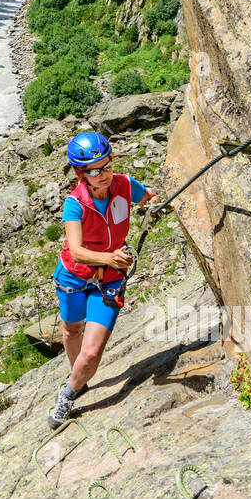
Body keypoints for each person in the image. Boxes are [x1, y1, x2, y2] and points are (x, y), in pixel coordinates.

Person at [48, 131, 158, 428]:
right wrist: (110, 257)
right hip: (74, 276)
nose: (103, 174)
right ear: (80, 173)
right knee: (71, 330)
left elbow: (148, 198)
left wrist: (152, 206)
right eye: (94, 171)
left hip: (109, 281)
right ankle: (78, 376)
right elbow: (77, 251)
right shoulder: (75, 204)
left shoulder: (123, 185)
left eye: (106, 165)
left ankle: (68, 393)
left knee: (92, 351)